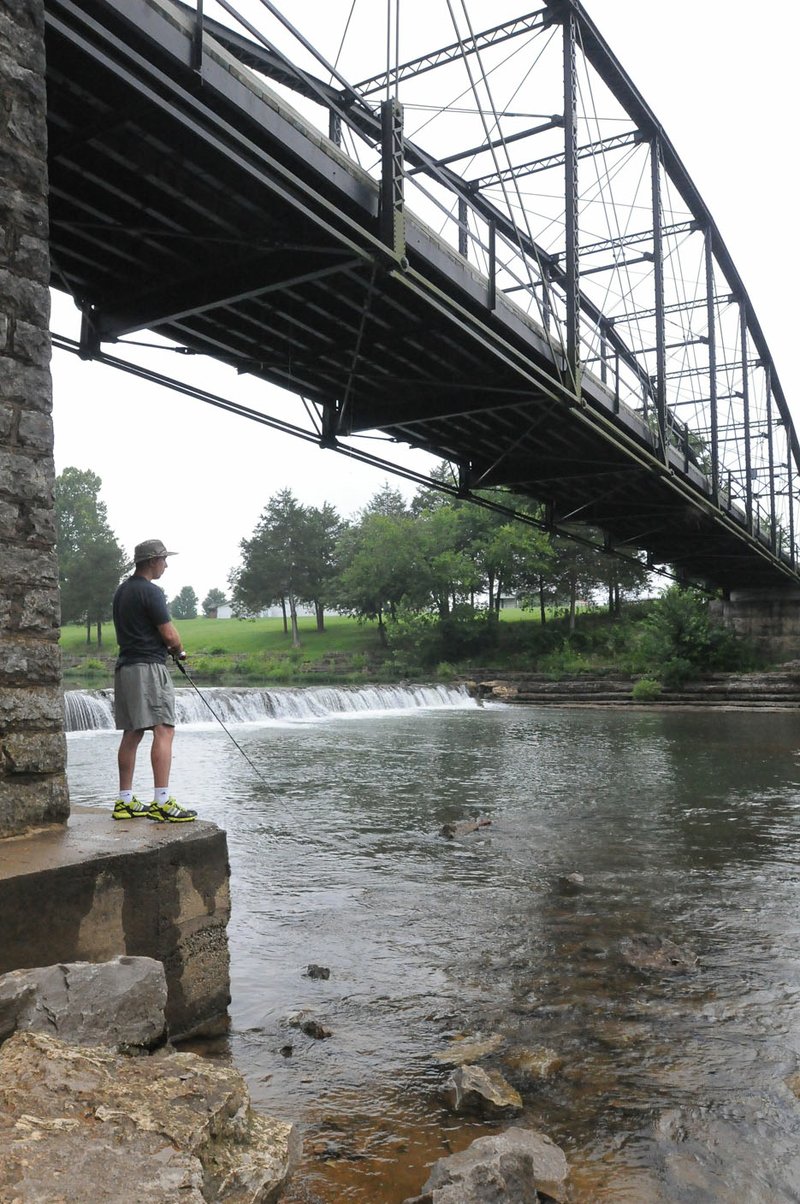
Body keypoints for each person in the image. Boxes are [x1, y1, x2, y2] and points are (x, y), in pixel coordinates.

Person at [110, 539, 197, 823]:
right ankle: (161, 802)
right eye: (163, 559)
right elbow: (170, 635)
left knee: (133, 732)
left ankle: (125, 802)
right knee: (164, 729)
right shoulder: (151, 592)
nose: (166, 564)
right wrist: (178, 651)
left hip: (125, 667)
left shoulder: (121, 592)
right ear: (151, 561)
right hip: (148, 667)